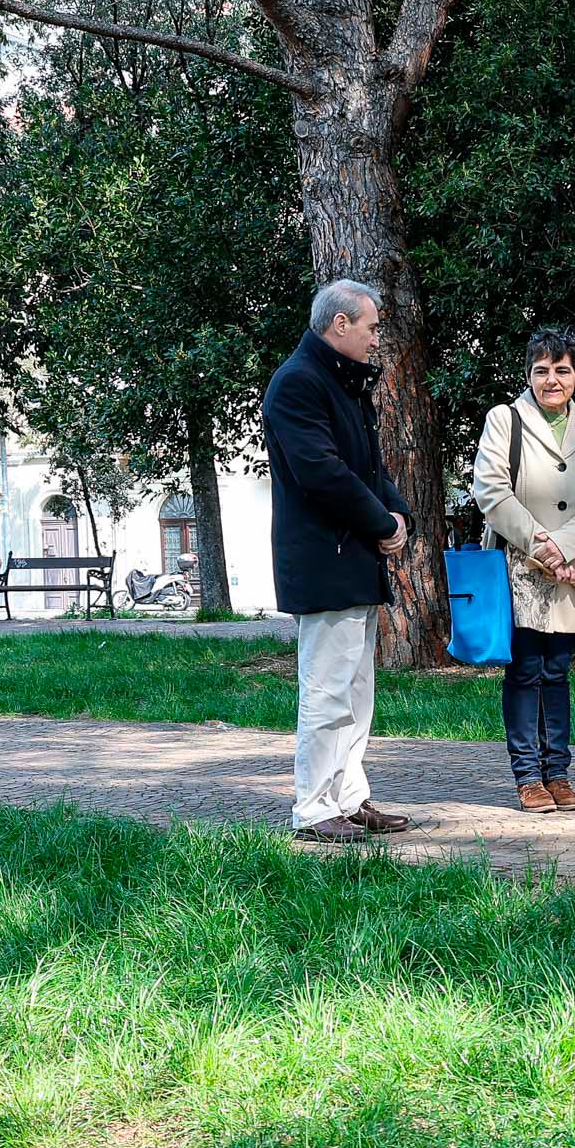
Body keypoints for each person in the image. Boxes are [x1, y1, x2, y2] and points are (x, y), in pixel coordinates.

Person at [263, 277, 415, 845]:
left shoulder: (342, 383)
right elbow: (322, 473)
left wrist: (398, 516)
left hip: (352, 558)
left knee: (355, 692)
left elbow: (370, 470)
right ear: (340, 323)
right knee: (327, 690)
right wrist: (383, 524)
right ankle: (313, 807)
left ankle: (348, 798)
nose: (377, 338)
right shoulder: (298, 382)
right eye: (371, 327)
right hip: (324, 560)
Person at [470, 326, 575, 813]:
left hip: (569, 568)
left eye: (561, 370)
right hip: (520, 562)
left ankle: (559, 772)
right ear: (529, 375)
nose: (551, 379)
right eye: (541, 370)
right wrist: (540, 543)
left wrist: (563, 546)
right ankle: (528, 776)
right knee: (525, 669)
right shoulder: (504, 419)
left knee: (557, 671)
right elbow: (491, 490)